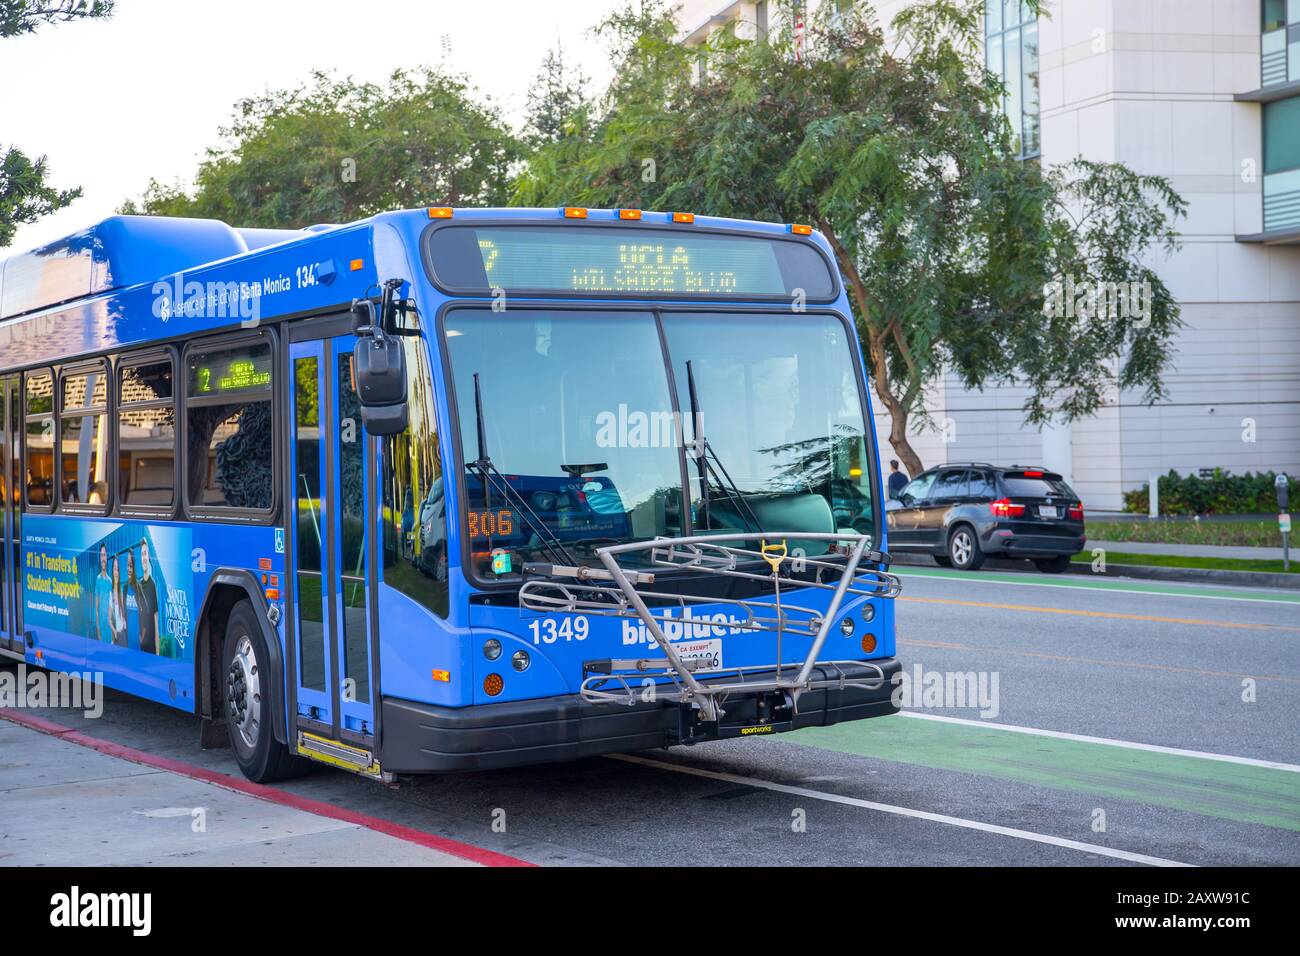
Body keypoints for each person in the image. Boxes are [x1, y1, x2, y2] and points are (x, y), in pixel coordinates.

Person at [135, 539, 161, 655]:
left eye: (145, 554)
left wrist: (158, 651)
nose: (144, 558)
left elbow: (156, 621)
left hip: (151, 649)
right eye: (142, 554)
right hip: (140, 647)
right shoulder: (138, 585)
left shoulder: (153, 585)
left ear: (149, 557)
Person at [93, 544, 112, 642]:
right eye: (101, 555)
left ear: (107, 557)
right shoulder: (98, 579)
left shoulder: (110, 581)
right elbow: (95, 608)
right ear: (100, 558)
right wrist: (98, 630)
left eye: (104, 555)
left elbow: (112, 607)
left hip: (109, 630)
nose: (103, 558)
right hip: (101, 630)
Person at [109, 556, 128, 647]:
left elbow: (124, 614)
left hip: (124, 635)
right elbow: (109, 620)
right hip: (117, 637)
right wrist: (115, 632)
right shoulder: (111, 595)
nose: (116, 572)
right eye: (114, 569)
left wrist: (125, 622)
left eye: (118, 569)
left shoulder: (122, 592)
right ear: (112, 572)